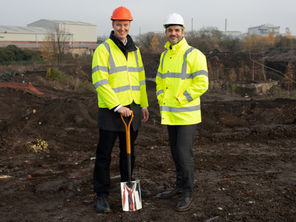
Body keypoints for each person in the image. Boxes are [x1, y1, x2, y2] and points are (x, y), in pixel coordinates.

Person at [92, 6, 150, 213]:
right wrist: (117, 106)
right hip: (111, 111)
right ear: (113, 25)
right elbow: (100, 81)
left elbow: (140, 79)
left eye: (126, 25)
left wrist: (143, 104)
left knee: (129, 153)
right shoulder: (103, 49)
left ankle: (129, 185)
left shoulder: (135, 50)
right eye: (119, 25)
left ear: (129, 25)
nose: (122, 28)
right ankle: (102, 195)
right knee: (104, 154)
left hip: (132, 110)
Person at [156, 13, 209, 212]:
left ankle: (187, 193)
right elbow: (160, 81)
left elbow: (202, 83)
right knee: (175, 154)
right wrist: (161, 98)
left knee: (184, 155)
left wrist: (181, 98)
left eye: (177, 30)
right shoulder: (164, 55)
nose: (173, 33)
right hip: (170, 114)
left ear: (183, 32)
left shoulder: (194, 54)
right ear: (166, 32)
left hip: (186, 114)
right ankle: (179, 185)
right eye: (170, 30)